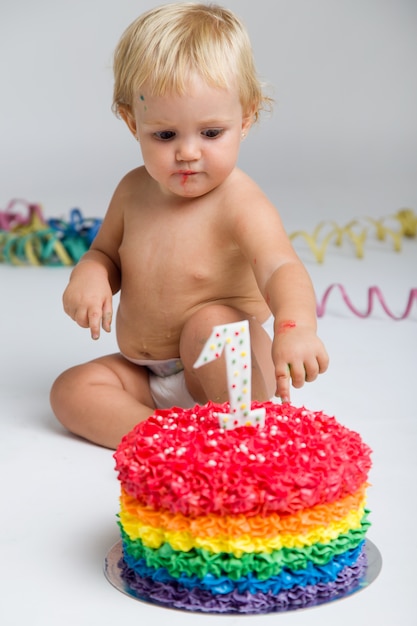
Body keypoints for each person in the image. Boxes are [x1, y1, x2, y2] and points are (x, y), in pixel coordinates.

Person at [50, 2, 329, 449]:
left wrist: (296, 329)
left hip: (231, 366)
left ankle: (242, 429)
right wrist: (90, 274)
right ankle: (171, 442)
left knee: (212, 323)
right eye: (165, 135)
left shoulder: (240, 201)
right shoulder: (132, 191)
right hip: (150, 372)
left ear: (247, 117)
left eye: (211, 133)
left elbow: (281, 268)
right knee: (71, 390)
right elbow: (104, 254)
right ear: (131, 122)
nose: (188, 153)